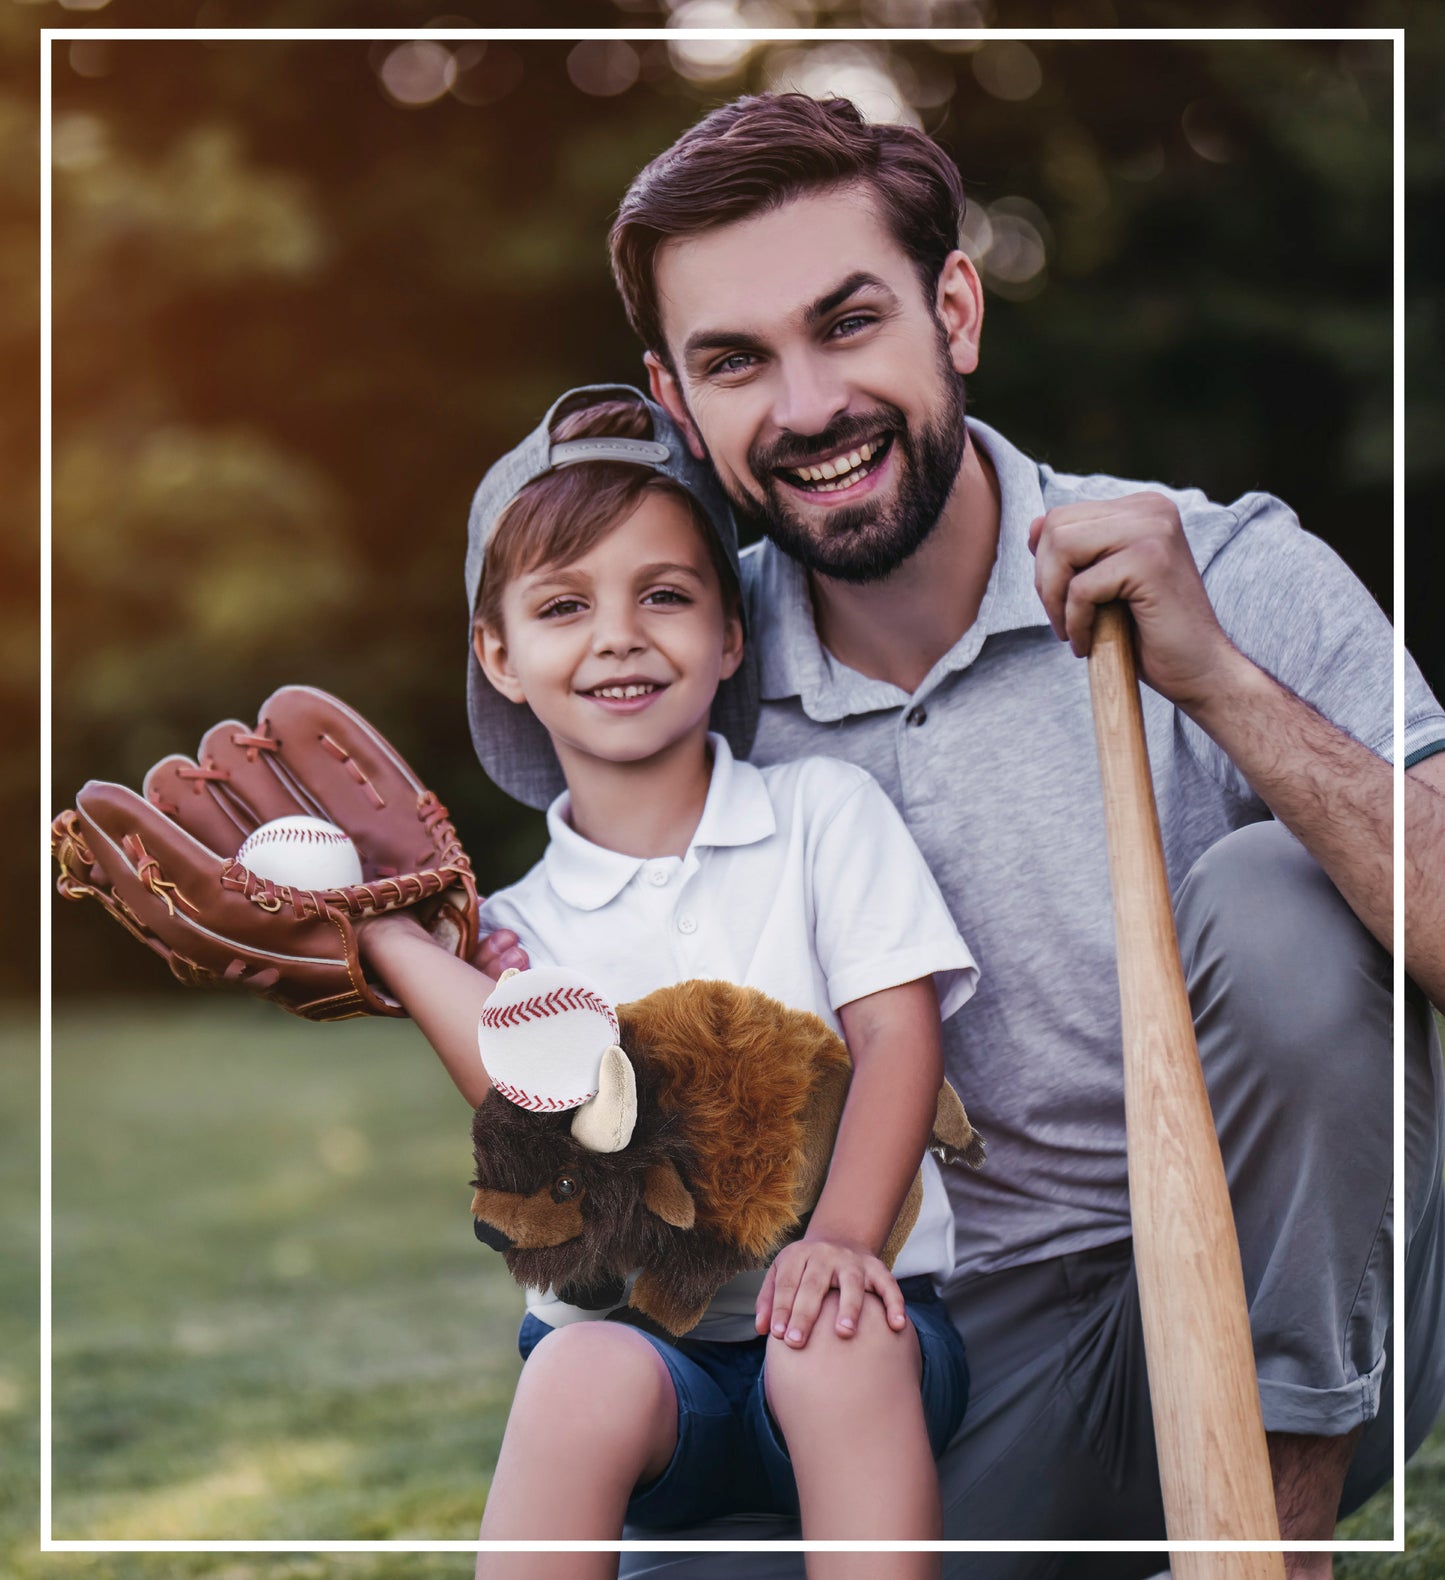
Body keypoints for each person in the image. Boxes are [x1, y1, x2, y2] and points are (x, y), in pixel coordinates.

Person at [477, 93, 1445, 1578]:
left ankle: (1266, 1554)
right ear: (676, 399)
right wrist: (388, 944)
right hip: (922, 1348)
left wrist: (1218, 682)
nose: (807, 406)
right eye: (736, 361)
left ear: (954, 310)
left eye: (847, 322)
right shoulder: (681, 666)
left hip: (1279, 1297)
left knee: (1278, 900)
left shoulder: (1223, 567)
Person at [361, 385, 984, 1579]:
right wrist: (390, 939)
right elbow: (545, 1124)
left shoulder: (821, 814)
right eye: (562, 605)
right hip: (655, 1371)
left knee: (834, 1335)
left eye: (664, 594)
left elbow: (899, 1039)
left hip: (865, 1333)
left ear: (730, 633)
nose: (618, 635)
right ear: (497, 653)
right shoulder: (514, 931)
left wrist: (841, 1238)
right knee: (576, 1368)